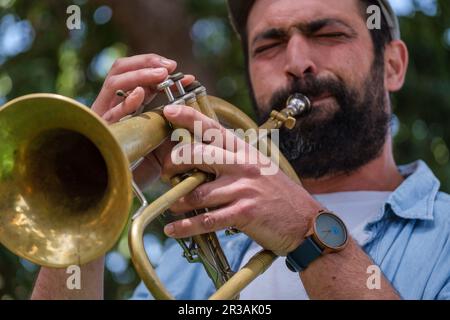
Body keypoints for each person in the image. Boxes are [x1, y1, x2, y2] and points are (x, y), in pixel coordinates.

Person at [31, 0, 450, 300]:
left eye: (328, 34)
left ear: (393, 65)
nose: (297, 62)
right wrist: (90, 190)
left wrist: (304, 229)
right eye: (268, 46)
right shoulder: (200, 253)